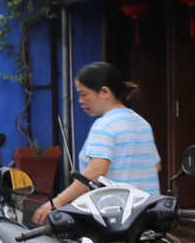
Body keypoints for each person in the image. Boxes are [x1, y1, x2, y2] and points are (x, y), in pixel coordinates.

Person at [33, 61, 161, 225]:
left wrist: (59, 200)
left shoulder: (104, 125)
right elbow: (156, 166)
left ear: (105, 92)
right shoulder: (142, 123)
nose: (80, 100)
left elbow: (97, 169)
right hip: (150, 215)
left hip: (119, 220)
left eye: (84, 94)